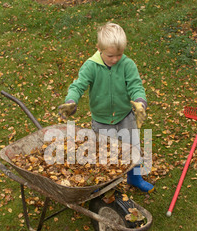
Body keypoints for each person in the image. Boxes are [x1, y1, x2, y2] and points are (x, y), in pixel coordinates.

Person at [58, 22, 154, 193]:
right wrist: (71, 101)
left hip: (125, 117)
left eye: (119, 54)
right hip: (101, 120)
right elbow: (78, 86)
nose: (115, 59)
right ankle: (104, 184)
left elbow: (135, 86)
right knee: (104, 154)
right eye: (110, 56)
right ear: (99, 48)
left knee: (133, 148)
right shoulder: (90, 66)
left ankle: (135, 178)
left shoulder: (127, 65)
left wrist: (140, 102)